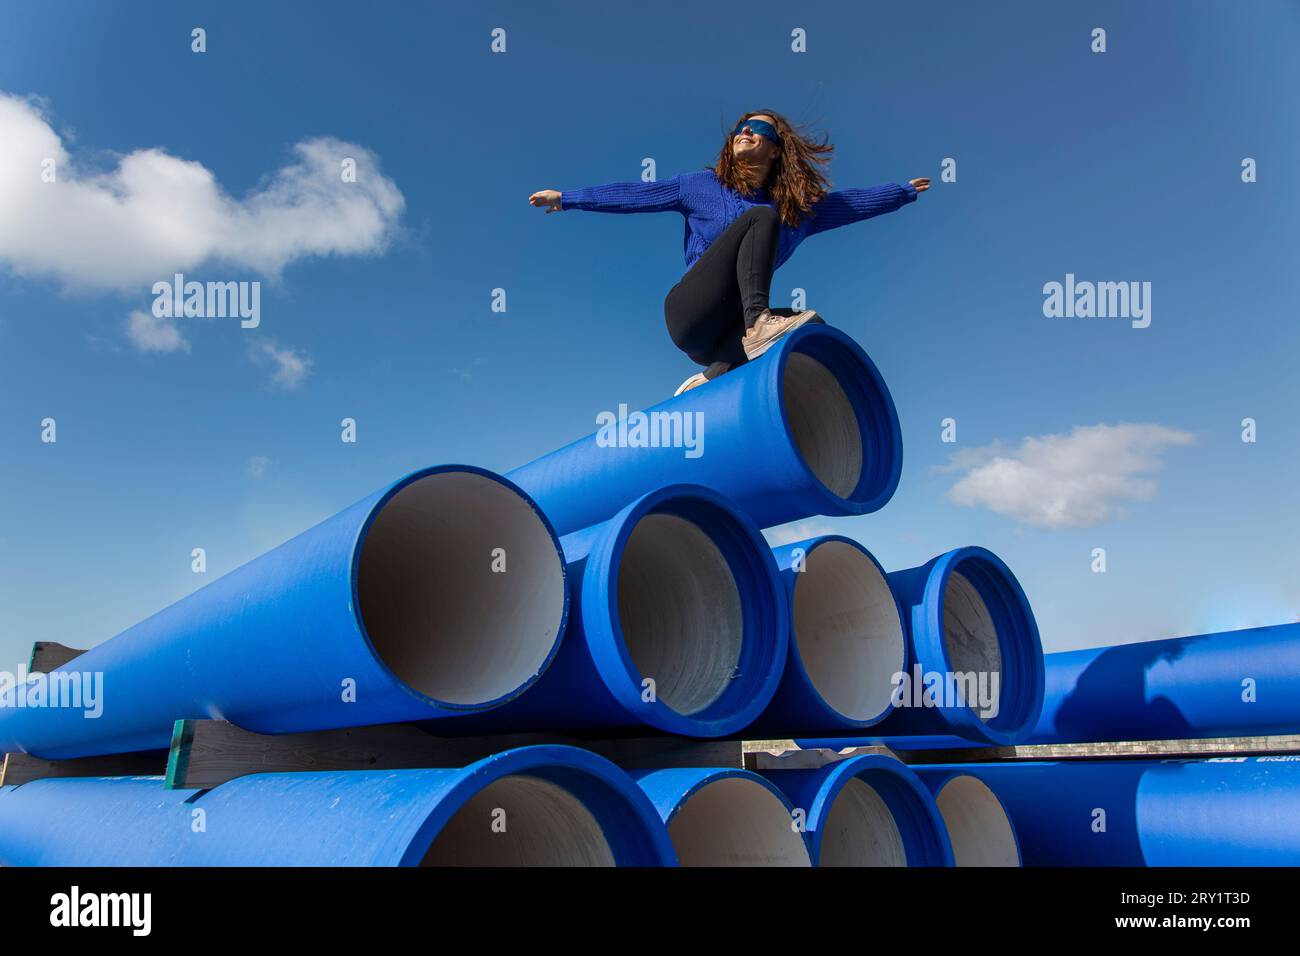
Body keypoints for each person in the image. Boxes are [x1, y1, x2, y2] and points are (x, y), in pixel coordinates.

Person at [530, 109, 929, 394]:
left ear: (776, 150)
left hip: (722, 341)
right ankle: (757, 326)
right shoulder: (700, 185)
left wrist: (902, 192)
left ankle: (717, 374)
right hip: (691, 312)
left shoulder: (797, 213)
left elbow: (850, 204)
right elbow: (637, 194)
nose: (746, 131)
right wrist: (567, 198)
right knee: (760, 219)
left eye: (759, 129)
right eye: (741, 127)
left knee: (811, 325)